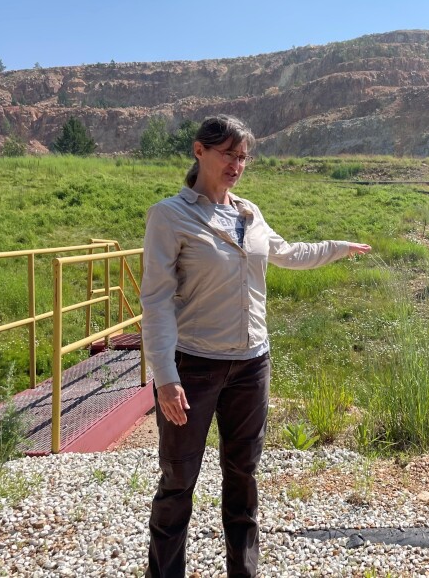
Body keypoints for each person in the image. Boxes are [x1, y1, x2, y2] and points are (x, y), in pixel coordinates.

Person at [140, 115, 370, 578]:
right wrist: (165, 376)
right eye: (228, 153)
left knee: (243, 477)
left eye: (243, 156)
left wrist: (337, 247)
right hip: (194, 367)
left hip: (251, 365)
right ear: (199, 151)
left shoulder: (250, 212)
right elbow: (157, 300)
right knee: (178, 482)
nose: (236, 165)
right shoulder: (170, 215)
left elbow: (287, 253)